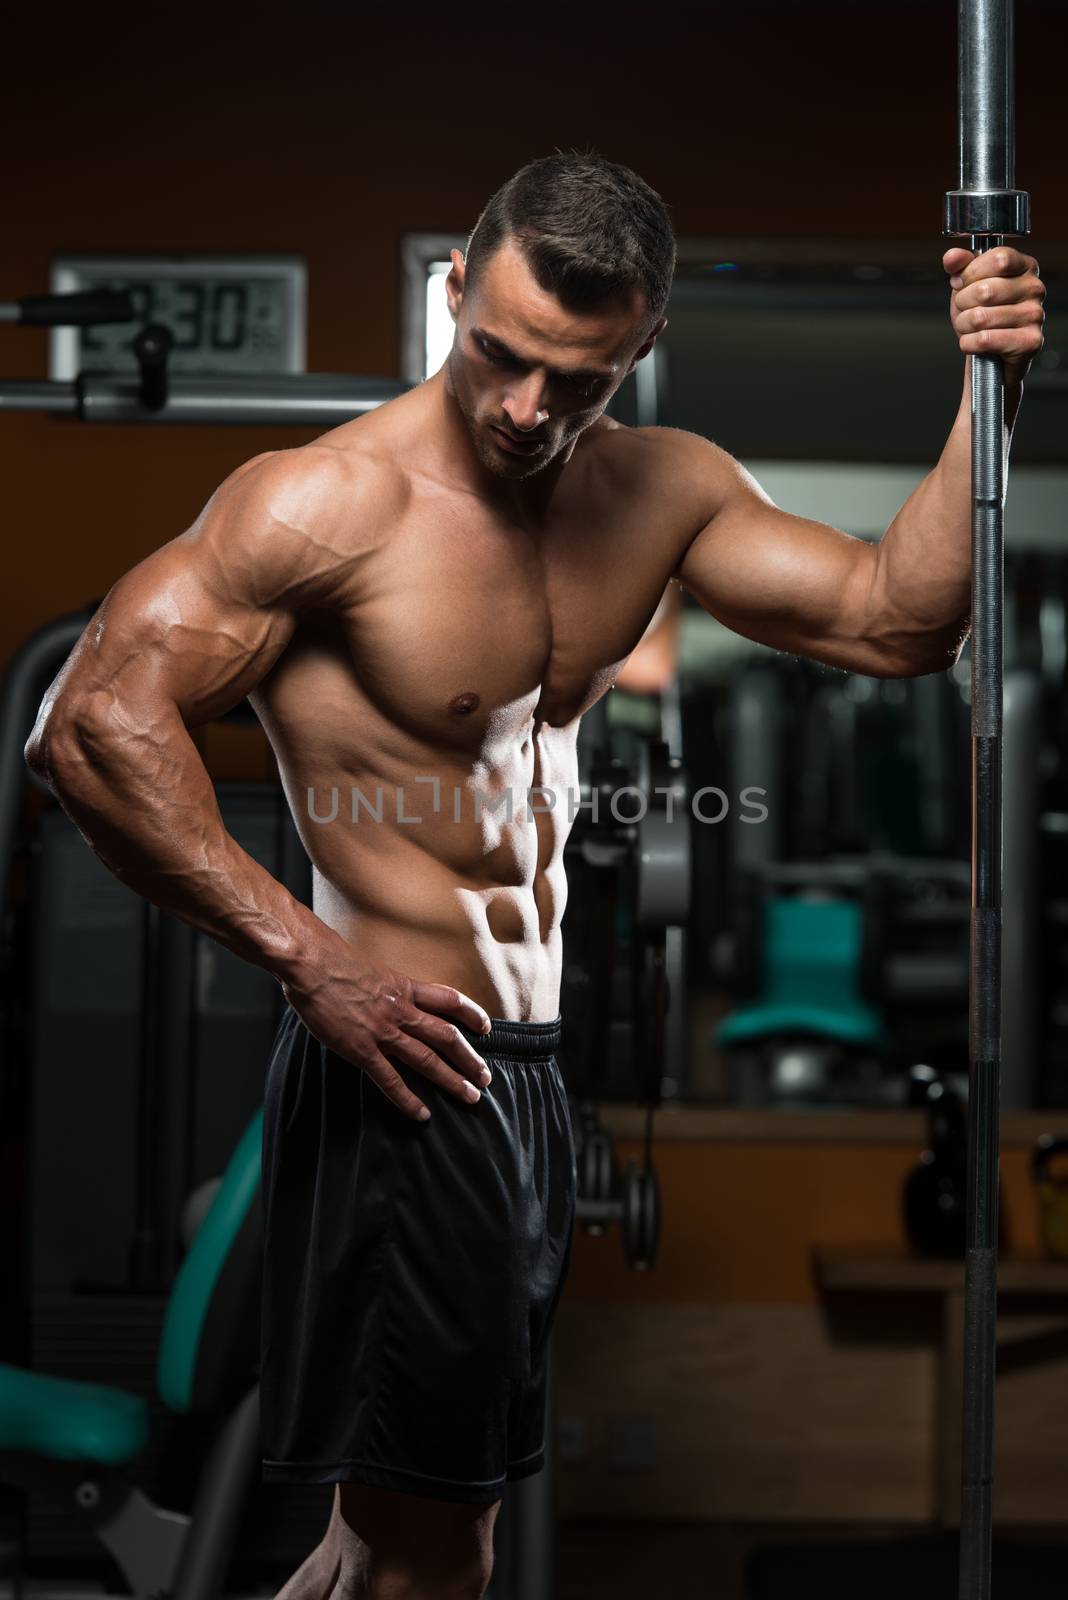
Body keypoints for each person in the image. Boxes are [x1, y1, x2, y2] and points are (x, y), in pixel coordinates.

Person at [24, 153, 1044, 1599]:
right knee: (431, 1553)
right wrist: (311, 965)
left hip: (528, 1074)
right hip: (407, 1068)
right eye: (501, 356)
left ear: (640, 345)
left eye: (580, 378)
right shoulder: (325, 506)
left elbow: (899, 622)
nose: (526, 410)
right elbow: (87, 724)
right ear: (456, 290)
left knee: (413, 1538)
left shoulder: (664, 490)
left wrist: (986, 392)